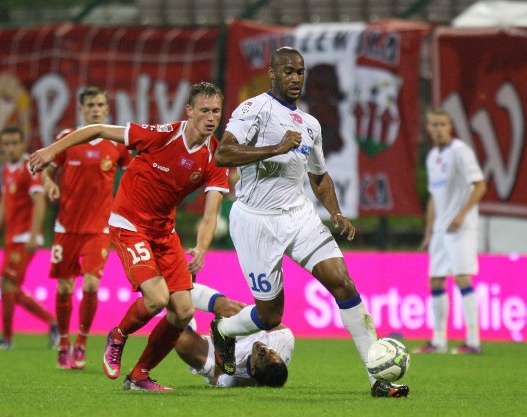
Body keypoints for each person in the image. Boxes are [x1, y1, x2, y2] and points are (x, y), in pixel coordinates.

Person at [210, 46, 409, 398]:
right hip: (256, 221)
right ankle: (225, 330)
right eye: (287, 71)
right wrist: (275, 148)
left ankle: (378, 378)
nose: (295, 78)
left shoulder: (310, 124)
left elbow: (319, 176)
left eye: (300, 72)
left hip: (299, 216)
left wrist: (334, 212)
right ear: (272, 73)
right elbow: (223, 153)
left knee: (343, 282)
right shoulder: (253, 110)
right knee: (270, 317)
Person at [29, 82, 230, 391]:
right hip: (128, 223)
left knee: (183, 312)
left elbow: (210, 214)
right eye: (204, 110)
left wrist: (202, 248)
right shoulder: (163, 134)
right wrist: (50, 151)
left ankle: (139, 376)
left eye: (216, 111)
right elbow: (97, 130)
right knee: (156, 298)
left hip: (165, 232)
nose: (211, 117)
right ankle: (118, 336)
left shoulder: (215, 157)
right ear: (189, 111)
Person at [41, 87, 132, 369]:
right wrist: (49, 183)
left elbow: (132, 173)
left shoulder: (116, 144)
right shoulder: (67, 139)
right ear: (81, 109)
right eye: (90, 104)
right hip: (66, 226)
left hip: (99, 228)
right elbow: (48, 167)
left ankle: (81, 342)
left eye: (100, 104)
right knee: (65, 287)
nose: (95, 109)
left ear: (106, 109)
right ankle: (64, 343)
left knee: (91, 283)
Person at [414, 108, 487, 355]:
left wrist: (461, 214)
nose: (438, 129)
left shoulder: (460, 151)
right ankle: (439, 341)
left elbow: (480, 185)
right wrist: (428, 232)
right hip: (441, 230)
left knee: (462, 277)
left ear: (450, 126)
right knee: (435, 280)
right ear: (428, 128)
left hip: (461, 226)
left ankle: (474, 341)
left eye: (443, 124)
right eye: (434, 124)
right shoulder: (433, 155)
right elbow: (434, 198)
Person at [0, 126, 58, 350]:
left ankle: (7, 339)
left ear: (22, 144)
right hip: (12, 237)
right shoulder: (7, 169)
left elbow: (39, 201)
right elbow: (3, 202)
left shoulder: (30, 167)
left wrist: (35, 234)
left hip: (25, 236)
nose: (10, 148)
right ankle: (53, 323)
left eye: (14, 143)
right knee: (10, 287)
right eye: (6, 144)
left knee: (6, 283)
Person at [176, 283, 293, 388]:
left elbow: (217, 376)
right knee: (228, 309)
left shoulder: (237, 379)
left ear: (252, 370)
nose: (264, 348)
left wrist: (219, 345)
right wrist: (244, 312)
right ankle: (181, 288)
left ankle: (183, 315)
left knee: (182, 341)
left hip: (220, 361)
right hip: (248, 334)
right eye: (271, 351)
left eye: (262, 355)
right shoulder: (285, 343)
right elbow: (269, 319)